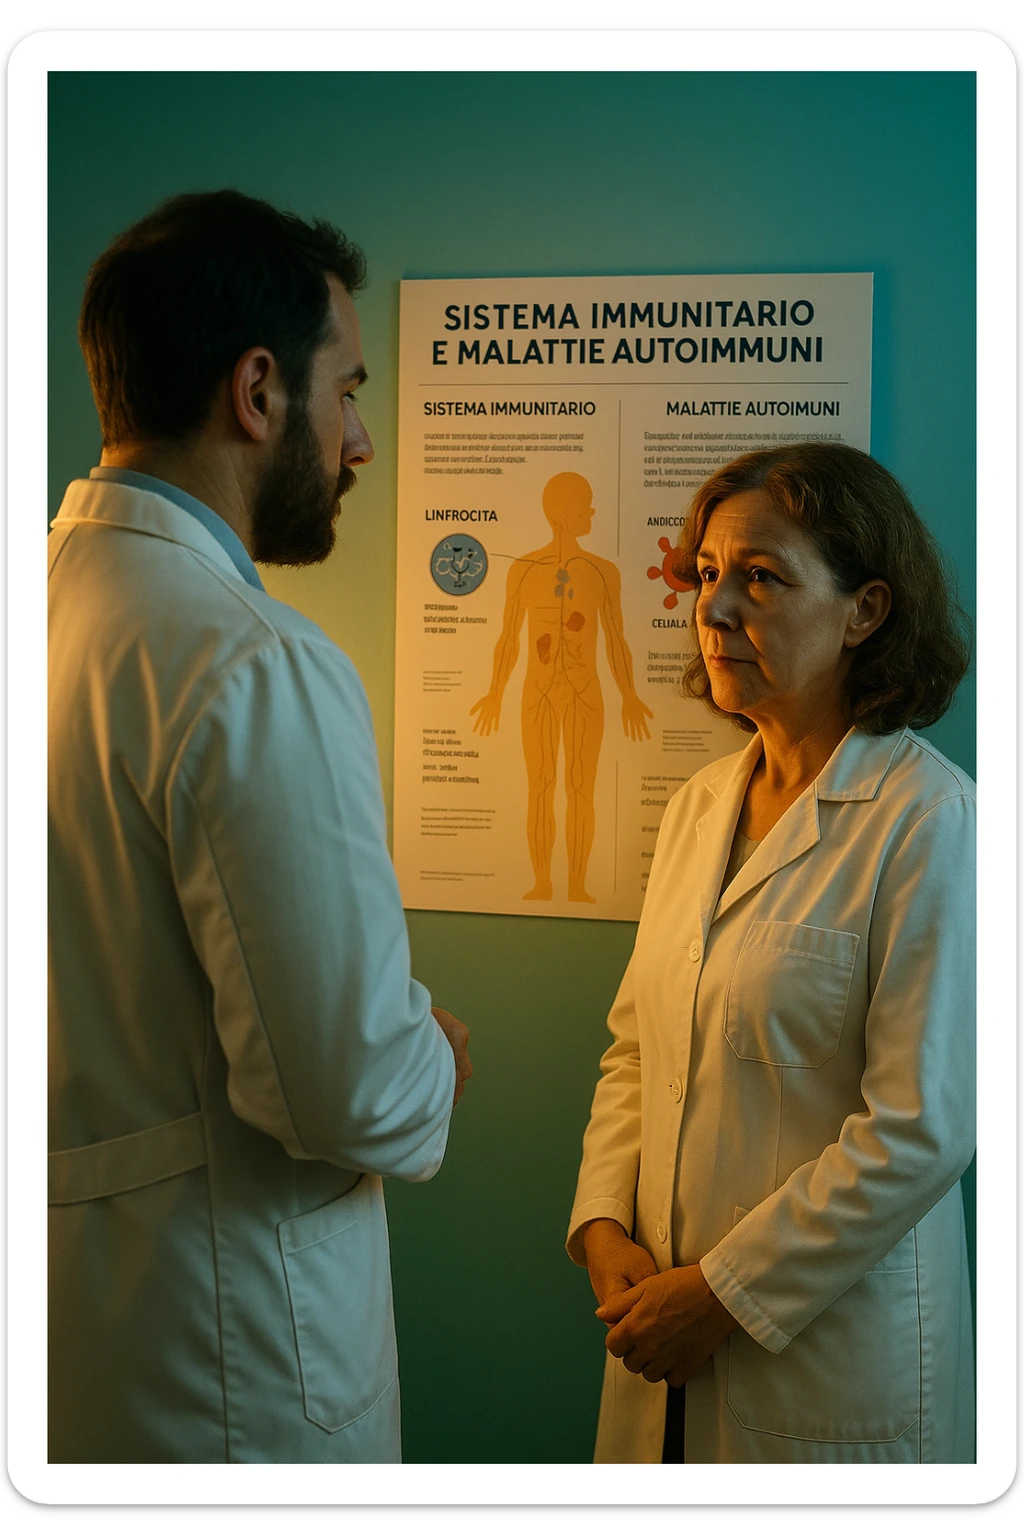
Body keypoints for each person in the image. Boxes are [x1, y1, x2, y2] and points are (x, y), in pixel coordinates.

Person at [48, 190, 471, 1464]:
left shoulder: (59, 609)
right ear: (256, 391)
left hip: (88, 1337)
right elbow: (346, 1091)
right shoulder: (250, 661)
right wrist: (432, 1053)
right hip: (236, 1368)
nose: (362, 442)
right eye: (346, 391)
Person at [567, 442, 975, 1464]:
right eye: (706, 575)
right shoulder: (701, 807)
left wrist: (722, 1294)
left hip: (825, 1369)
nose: (712, 609)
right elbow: (634, 1053)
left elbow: (919, 1131)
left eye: (759, 577)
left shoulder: (928, 821)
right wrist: (602, 1227)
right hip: (654, 1330)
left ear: (863, 613)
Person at [470, 472, 652, 902]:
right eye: (586, 505)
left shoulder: (602, 572)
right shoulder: (525, 569)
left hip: (586, 693)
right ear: (564, 513)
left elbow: (615, 637)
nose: (591, 512)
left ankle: (576, 884)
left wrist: (628, 694)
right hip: (538, 692)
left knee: (580, 787)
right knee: (542, 785)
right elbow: (509, 636)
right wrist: (495, 692)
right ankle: (543, 882)